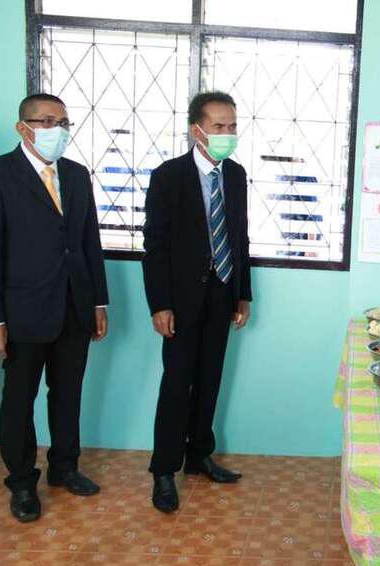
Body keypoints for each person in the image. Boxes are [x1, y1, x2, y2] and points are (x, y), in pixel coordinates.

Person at [0, 93, 109, 522]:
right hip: (22, 310)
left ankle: (64, 467)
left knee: (68, 392)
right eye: (47, 121)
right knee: (19, 399)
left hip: (75, 305)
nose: (57, 129)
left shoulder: (75, 174)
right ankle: (22, 482)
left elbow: (89, 241)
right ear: (23, 128)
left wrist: (98, 300)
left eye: (63, 122)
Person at [142, 91, 253, 514]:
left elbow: (240, 238)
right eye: (219, 126)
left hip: (222, 292)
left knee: (210, 379)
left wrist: (243, 293)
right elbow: (155, 245)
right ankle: (163, 470)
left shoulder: (236, 175)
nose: (228, 133)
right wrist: (160, 304)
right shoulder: (168, 176)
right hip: (181, 300)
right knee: (177, 384)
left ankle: (199, 455)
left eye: (232, 126)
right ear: (197, 130)